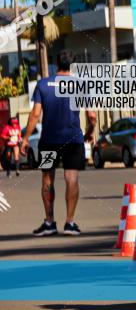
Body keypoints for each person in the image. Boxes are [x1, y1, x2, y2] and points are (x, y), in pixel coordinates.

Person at [21, 50, 96, 236]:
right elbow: (92, 116)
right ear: (73, 65)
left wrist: (25, 138)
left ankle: (49, 223)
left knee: (47, 179)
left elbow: (35, 114)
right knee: (72, 179)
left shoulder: (43, 85)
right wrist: (89, 132)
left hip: (48, 141)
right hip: (73, 140)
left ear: (56, 63)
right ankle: (70, 223)